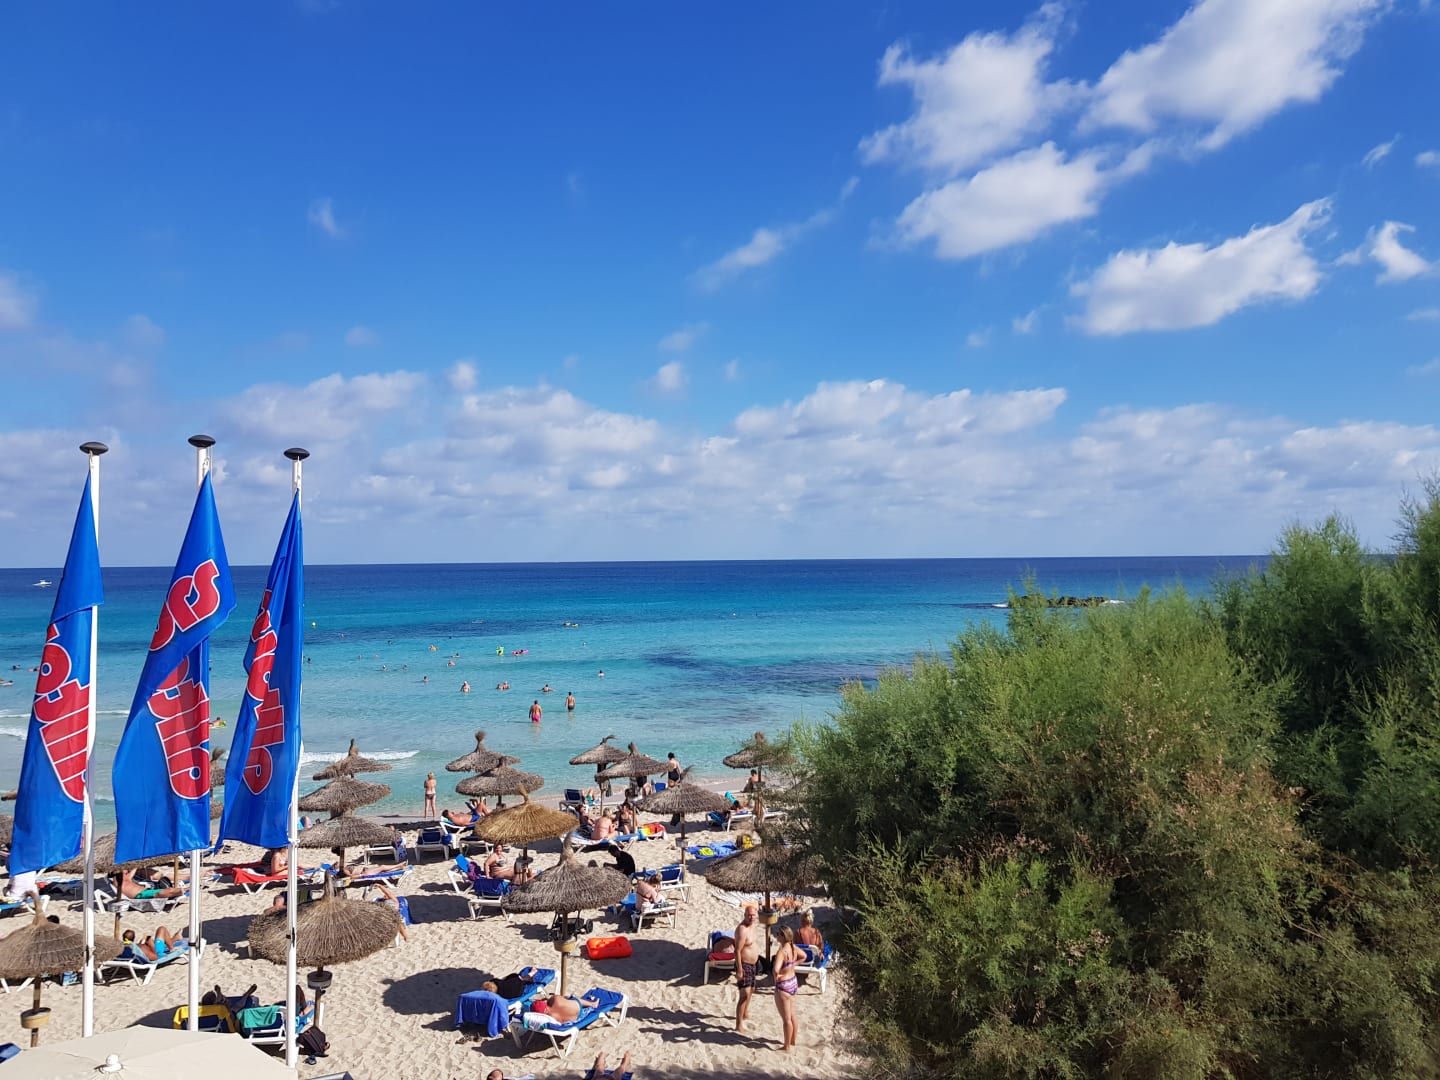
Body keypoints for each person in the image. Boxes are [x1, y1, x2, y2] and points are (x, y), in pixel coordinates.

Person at [772, 926, 801, 1051]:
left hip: (784, 985)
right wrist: (793, 964)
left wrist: (777, 976)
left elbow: (775, 969)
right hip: (793, 982)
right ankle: (793, 1040)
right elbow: (804, 956)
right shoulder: (793, 947)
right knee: (793, 1015)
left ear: (783, 936)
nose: (776, 935)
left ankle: (787, 1046)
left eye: (778, 933)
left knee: (786, 1019)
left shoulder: (782, 952)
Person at [734, 902, 761, 1032]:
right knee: (744, 994)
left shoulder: (753, 927)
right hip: (744, 964)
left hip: (753, 964)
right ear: (745, 915)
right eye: (749, 915)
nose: (751, 917)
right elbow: (737, 951)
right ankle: (738, 1024)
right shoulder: (742, 930)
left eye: (753, 915)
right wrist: (739, 969)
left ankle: (745, 1012)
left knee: (752, 990)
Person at [110, 868, 183, 900]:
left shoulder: (126, 878)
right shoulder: (118, 881)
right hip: (140, 895)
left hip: (146, 891)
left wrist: (138, 863)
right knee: (162, 892)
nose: (127, 871)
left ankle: (182, 890)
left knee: (164, 888)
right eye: (125, 870)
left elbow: (133, 871)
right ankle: (183, 891)